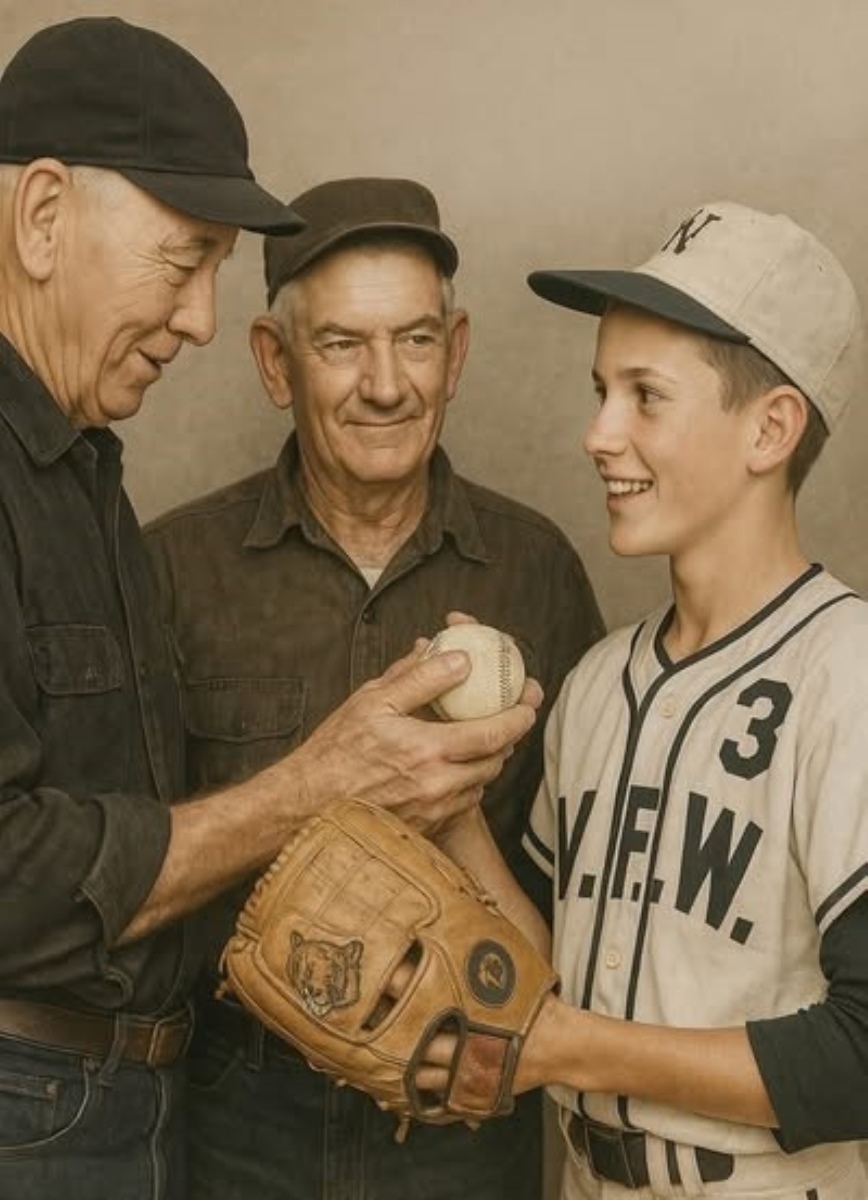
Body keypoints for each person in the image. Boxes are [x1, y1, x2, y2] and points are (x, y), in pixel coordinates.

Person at [0, 22, 539, 1200]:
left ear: (453, 354)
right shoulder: (154, 535)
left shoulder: (84, 475)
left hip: (131, 1117)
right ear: (42, 216)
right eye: (182, 259)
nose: (197, 318)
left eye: (413, 341)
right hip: (61, 1114)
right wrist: (320, 783)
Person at [144, 174, 605, 1200]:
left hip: (462, 1135)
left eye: (416, 339)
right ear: (276, 363)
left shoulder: (537, 570)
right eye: (342, 344)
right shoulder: (172, 569)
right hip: (232, 1128)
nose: (386, 384)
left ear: (458, 351)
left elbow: (593, 904)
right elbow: (126, 869)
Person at [420, 201, 868, 1199]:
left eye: (645, 397)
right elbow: (552, 976)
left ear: (770, 428)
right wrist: (453, 803)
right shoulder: (594, 685)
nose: (597, 434)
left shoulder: (848, 676)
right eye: (600, 390)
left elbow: (860, 1054)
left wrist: (568, 1049)